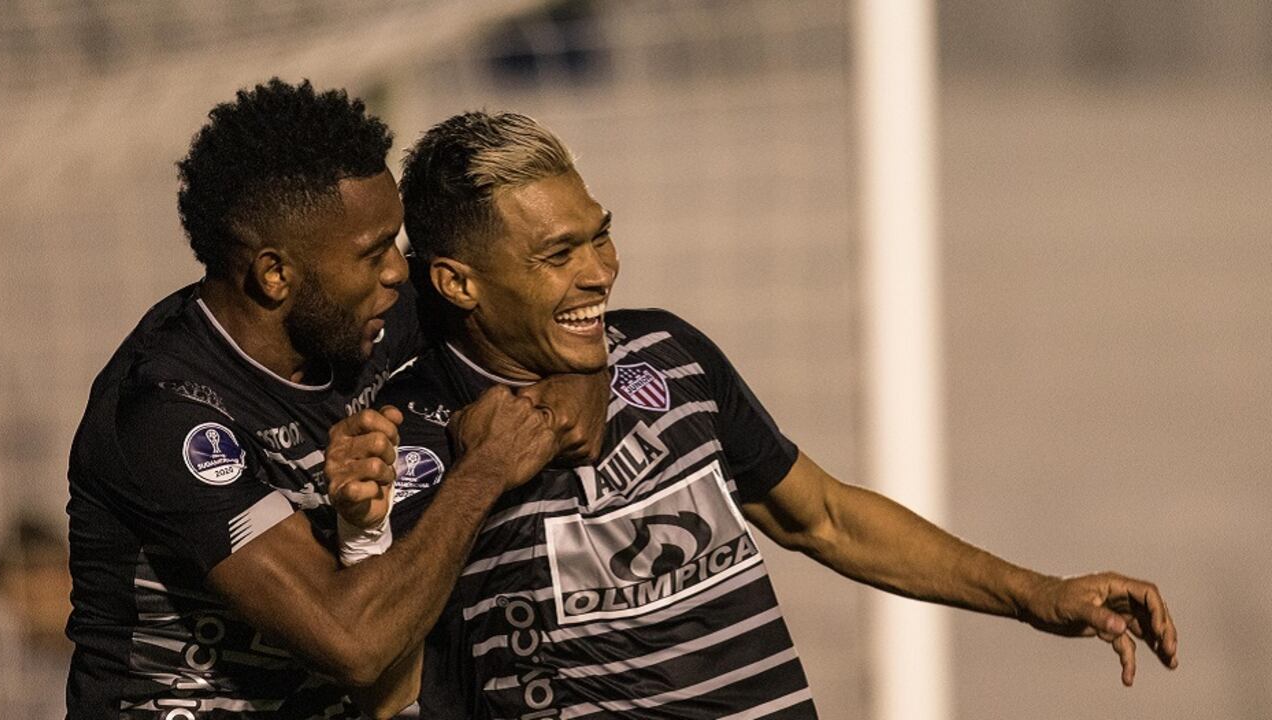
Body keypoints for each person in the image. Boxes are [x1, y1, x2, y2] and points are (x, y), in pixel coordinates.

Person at [355, 111, 1180, 718]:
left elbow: (822, 518)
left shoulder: (668, 356)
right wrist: (475, 481)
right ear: (459, 283)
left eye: (600, 237)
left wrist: (1038, 595)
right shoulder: (403, 445)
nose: (600, 273)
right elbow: (381, 678)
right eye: (557, 255)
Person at [65, 81, 604, 720]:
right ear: (275, 275)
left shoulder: (363, 315)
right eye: (373, 252)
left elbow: (550, 308)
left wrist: (577, 368)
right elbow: (353, 645)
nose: (399, 272)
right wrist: (483, 469)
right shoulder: (166, 410)